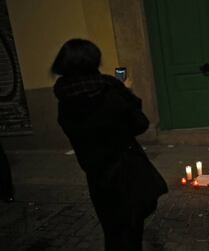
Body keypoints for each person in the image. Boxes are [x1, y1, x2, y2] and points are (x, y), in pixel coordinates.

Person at [51, 38, 167, 250]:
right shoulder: (109, 91)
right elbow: (140, 124)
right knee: (131, 231)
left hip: (96, 175)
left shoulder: (65, 100)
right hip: (125, 171)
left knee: (112, 230)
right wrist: (125, 91)